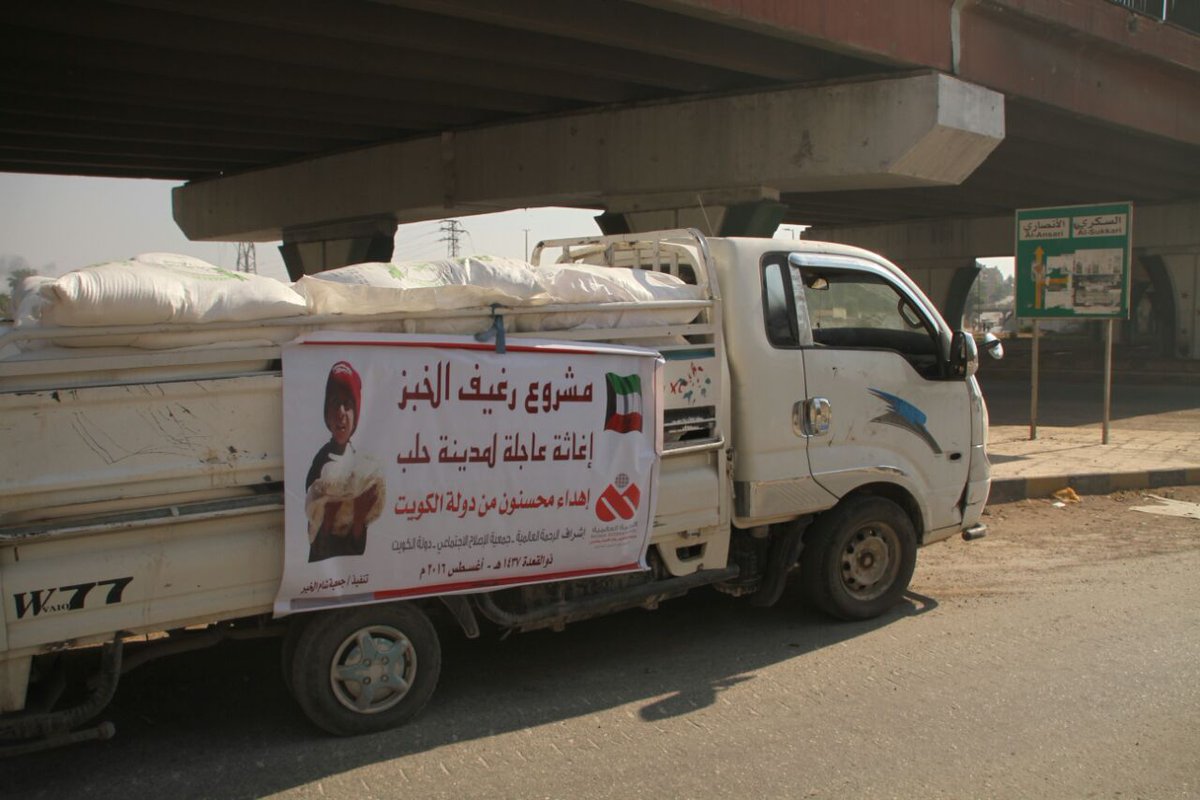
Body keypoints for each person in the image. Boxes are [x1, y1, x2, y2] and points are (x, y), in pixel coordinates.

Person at [305, 361, 382, 562]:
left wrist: (359, 515)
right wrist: (329, 514)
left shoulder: (360, 465)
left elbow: (358, 541)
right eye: (334, 403)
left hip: (353, 567)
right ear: (326, 415)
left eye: (347, 405)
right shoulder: (320, 463)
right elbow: (316, 534)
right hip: (323, 568)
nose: (341, 412)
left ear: (356, 416)